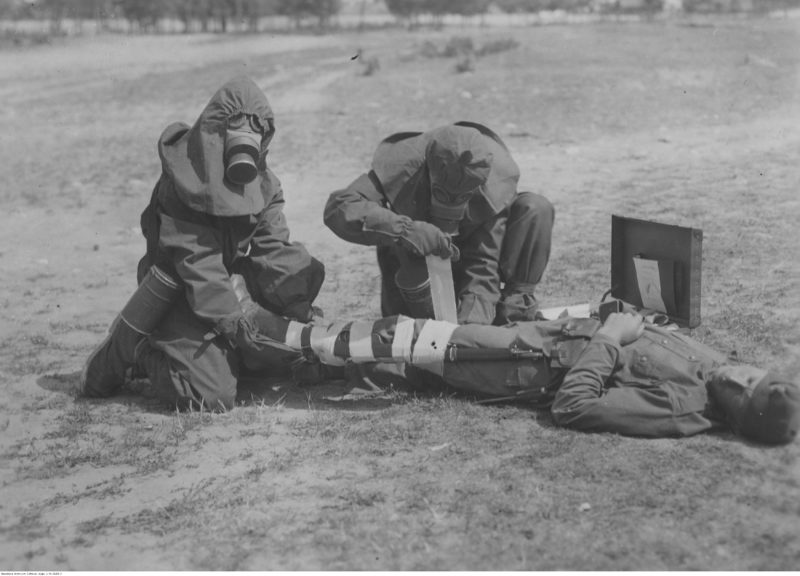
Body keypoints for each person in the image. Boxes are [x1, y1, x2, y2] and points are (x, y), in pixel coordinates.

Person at [79, 76, 324, 411]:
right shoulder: (182, 181)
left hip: (228, 284)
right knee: (212, 395)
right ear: (214, 133)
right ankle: (137, 349)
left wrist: (295, 311)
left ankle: (232, 353)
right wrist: (238, 325)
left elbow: (275, 250)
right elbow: (198, 264)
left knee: (281, 359)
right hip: (179, 290)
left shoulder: (265, 185)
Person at [242, 307, 800, 445]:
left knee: (405, 337)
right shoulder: (712, 365)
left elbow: (575, 407)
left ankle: (273, 335)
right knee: (400, 362)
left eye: (745, 381)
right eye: (754, 370)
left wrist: (608, 338)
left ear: (736, 401)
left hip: (522, 365)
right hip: (542, 334)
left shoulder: (682, 409)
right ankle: (288, 356)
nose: (740, 369)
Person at [323, 122, 554, 326]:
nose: (453, 203)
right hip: (416, 269)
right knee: (412, 335)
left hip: (468, 268)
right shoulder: (407, 167)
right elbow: (340, 206)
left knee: (535, 207)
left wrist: (471, 326)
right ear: (427, 170)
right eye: (444, 194)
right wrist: (404, 230)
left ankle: (513, 310)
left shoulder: (491, 185)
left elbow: (483, 263)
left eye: (463, 197)